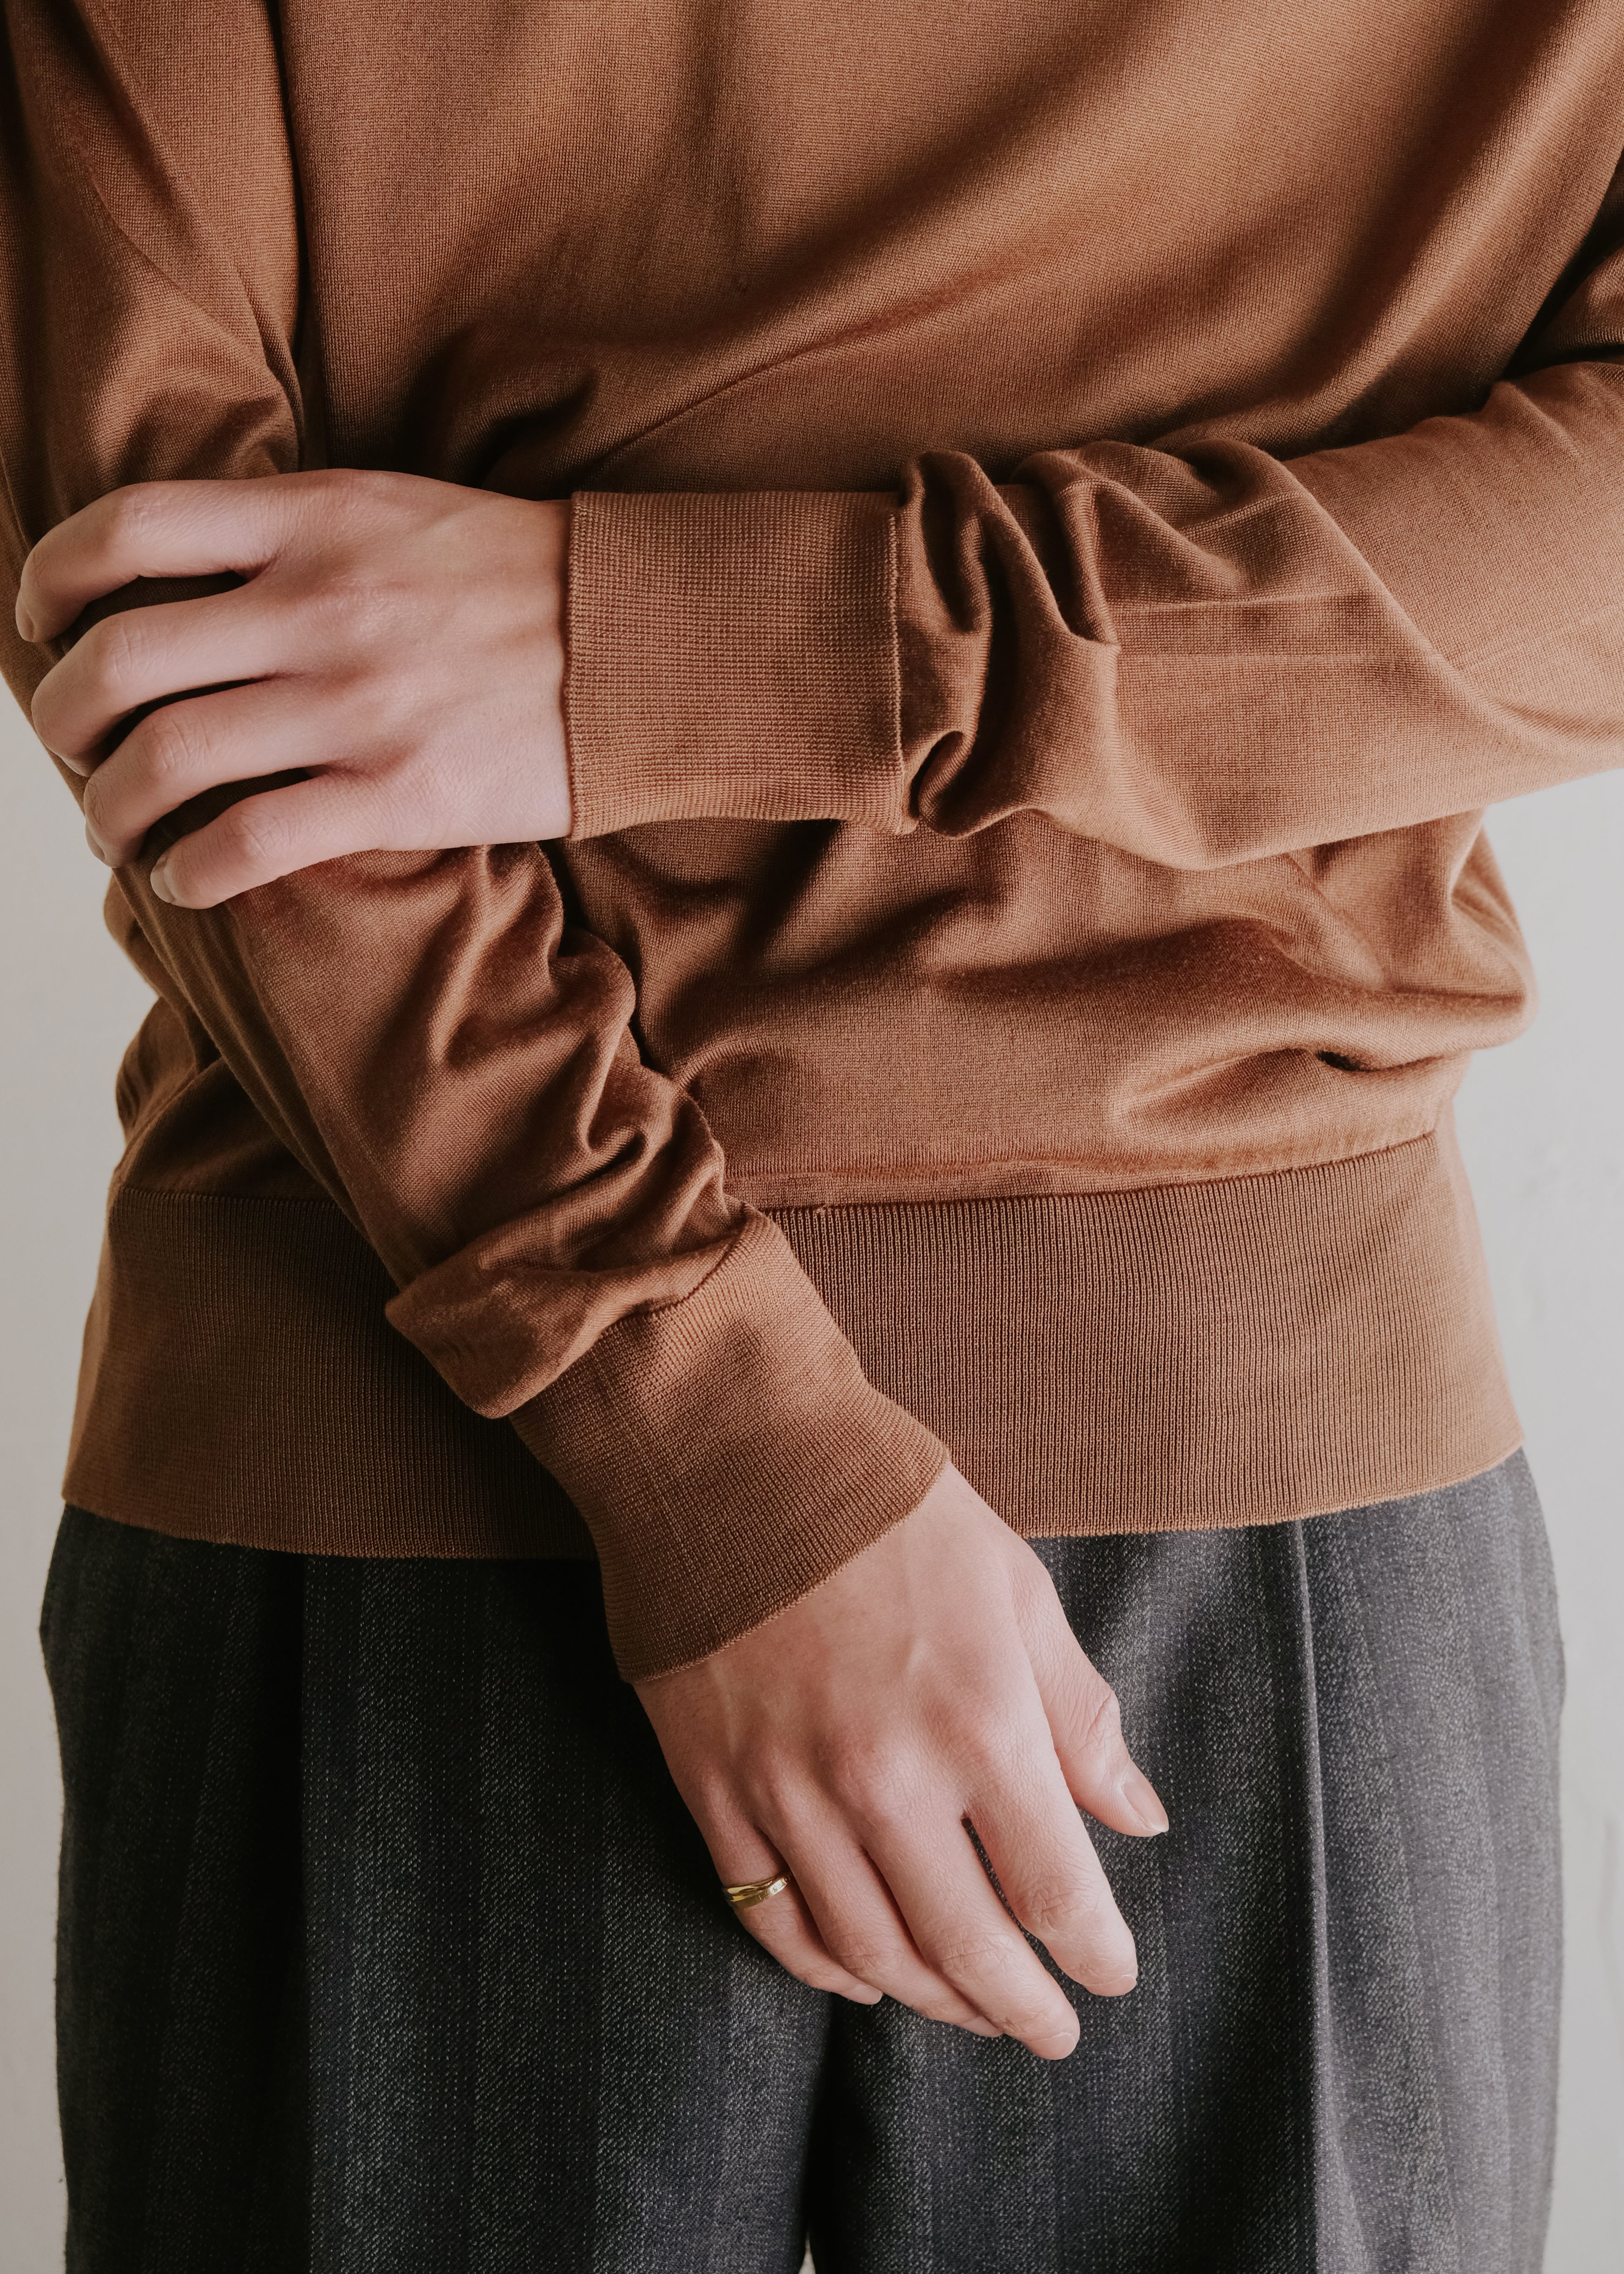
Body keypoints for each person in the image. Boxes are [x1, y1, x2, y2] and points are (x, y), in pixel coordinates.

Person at [2, 0, 1611, 2265]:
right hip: (1222, 1488)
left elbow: (162, 581)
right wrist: (717, 1453)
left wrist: (699, 649)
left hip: (414, 1445)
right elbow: (163, 606)